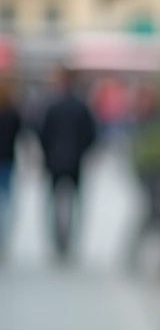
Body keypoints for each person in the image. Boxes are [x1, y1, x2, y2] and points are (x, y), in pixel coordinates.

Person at [37, 66, 96, 260]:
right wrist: (81, 151)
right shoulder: (81, 106)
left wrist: (47, 153)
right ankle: (70, 238)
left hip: (54, 161)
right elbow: (91, 135)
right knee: (75, 202)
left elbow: (42, 134)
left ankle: (57, 238)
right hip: (75, 160)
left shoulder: (52, 106)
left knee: (53, 201)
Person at [0, 75, 21, 256]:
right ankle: (3, 236)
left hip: (6, 160)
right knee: (6, 202)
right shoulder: (12, 112)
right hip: (7, 160)